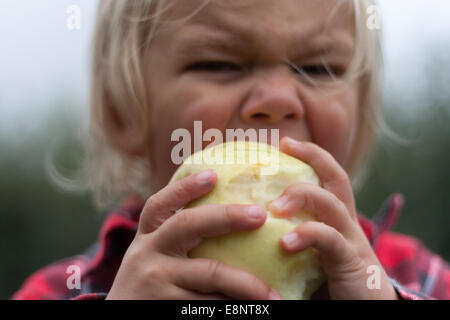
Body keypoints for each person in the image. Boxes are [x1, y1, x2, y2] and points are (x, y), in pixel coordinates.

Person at [12, 0, 450, 300]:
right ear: (123, 114)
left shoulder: (417, 274)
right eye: (218, 64)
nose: (278, 99)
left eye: (319, 69)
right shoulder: (62, 288)